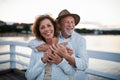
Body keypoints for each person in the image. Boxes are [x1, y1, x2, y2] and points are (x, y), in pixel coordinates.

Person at [25, 15, 76, 80]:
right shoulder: (36, 48)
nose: (46, 29)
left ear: (54, 27)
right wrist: (42, 61)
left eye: (49, 25)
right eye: (42, 27)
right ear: (39, 31)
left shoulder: (66, 46)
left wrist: (60, 62)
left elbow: (72, 73)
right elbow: (29, 76)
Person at [55, 9, 89, 80]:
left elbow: (84, 64)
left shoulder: (80, 40)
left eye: (72, 22)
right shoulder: (53, 38)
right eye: (67, 22)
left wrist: (66, 56)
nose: (70, 25)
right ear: (60, 24)